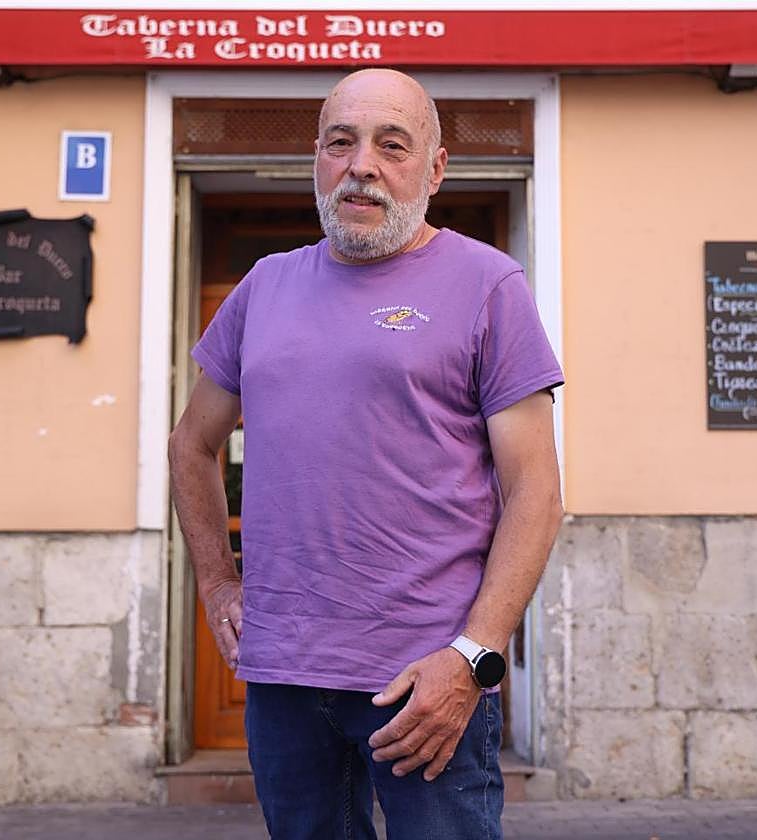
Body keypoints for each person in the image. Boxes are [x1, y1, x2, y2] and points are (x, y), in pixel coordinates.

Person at [167, 68, 564, 840]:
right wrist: (218, 585)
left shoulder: (488, 285)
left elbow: (536, 494)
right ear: (316, 156)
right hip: (283, 677)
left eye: (393, 145)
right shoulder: (262, 287)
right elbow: (192, 444)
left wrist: (472, 658)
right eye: (341, 142)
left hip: (424, 681)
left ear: (436, 168)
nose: (363, 166)